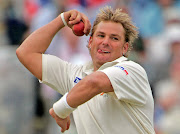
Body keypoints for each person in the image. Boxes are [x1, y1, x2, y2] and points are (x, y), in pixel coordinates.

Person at [16, 6, 155, 134]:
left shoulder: (132, 70)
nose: (105, 42)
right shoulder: (75, 74)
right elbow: (25, 53)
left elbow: (95, 82)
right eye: (101, 35)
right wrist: (62, 20)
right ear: (90, 42)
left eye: (114, 38)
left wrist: (60, 110)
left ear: (125, 48)